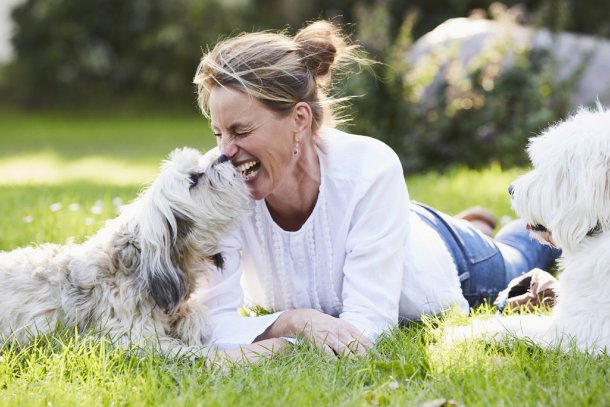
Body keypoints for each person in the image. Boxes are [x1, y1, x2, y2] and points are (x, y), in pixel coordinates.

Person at [192, 20, 560, 357]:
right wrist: (293, 320)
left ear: (300, 120)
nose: (225, 152)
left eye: (240, 131)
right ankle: (473, 222)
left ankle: (496, 231)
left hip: (448, 260)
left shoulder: (369, 166)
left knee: (522, 253)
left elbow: (365, 329)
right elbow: (209, 323)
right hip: (388, 224)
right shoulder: (219, 182)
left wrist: (276, 337)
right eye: (218, 134)